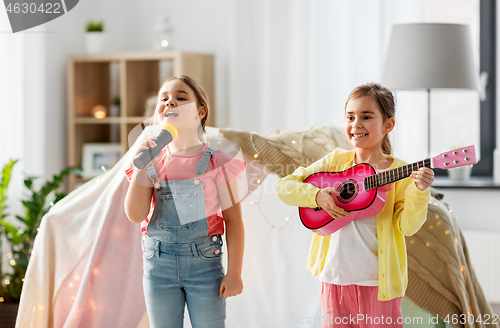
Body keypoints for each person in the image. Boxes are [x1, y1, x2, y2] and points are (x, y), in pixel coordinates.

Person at [276, 83, 434, 328]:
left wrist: (419, 192)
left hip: (379, 284)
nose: (356, 124)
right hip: (335, 280)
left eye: (366, 117)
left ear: (388, 125)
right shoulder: (335, 161)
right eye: (350, 117)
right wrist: (316, 196)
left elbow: (408, 226)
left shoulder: (400, 173)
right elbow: (285, 186)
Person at [124, 75, 246, 328]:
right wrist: (141, 166)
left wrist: (234, 273)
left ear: (201, 112)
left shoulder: (218, 161)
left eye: (181, 98)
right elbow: (135, 215)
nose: (170, 103)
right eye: (164, 99)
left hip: (204, 266)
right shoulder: (150, 160)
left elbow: (233, 220)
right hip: (158, 267)